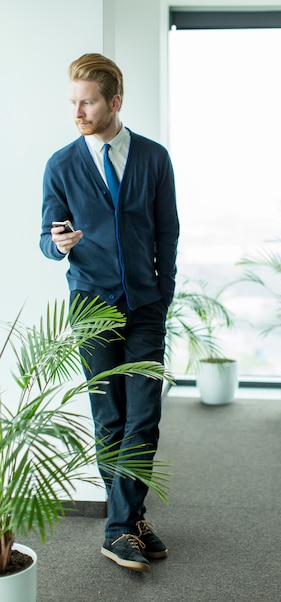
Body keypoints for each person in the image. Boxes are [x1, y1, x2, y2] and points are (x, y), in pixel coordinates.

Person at [40, 53, 179, 573]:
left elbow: (168, 232)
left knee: (145, 416)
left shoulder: (153, 158)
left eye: (88, 101)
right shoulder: (61, 164)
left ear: (114, 102)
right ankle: (128, 524)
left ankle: (122, 524)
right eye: (73, 101)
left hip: (145, 306)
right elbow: (45, 238)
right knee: (111, 418)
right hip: (92, 306)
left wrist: (162, 294)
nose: (77, 111)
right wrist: (59, 245)